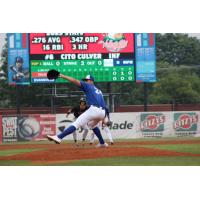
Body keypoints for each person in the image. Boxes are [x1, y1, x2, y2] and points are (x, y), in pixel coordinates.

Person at [47, 73, 108, 147]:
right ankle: (102, 143)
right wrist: (105, 117)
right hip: (102, 112)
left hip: (94, 110)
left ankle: (59, 137)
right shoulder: (99, 90)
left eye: (87, 80)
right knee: (91, 125)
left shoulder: (88, 85)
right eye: (85, 80)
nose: (85, 81)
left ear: (91, 81)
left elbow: (75, 81)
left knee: (76, 123)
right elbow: (104, 105)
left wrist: (62, 76)